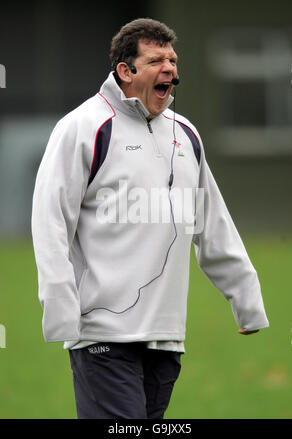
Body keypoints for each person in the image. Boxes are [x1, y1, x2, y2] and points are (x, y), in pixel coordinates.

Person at [31, 18, 269, 419]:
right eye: (156, 59)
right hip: (102, 336)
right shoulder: (82, 127)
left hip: (166, 338)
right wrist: (60, 311)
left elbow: (213, 223)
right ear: (126, 71)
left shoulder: (186, 134)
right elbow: (50, 221)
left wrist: (247, 301)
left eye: (172, 60)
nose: (170, 69)